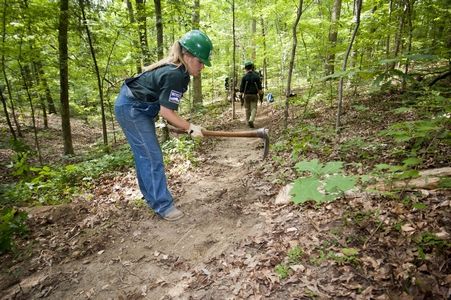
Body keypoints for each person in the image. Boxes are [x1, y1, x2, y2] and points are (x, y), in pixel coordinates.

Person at [114, 30, 213, 221]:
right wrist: (190, 127)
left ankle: (153, 199)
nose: (202, 67)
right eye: (200, 61)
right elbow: (166, 112)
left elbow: (162, 106)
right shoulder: (176, 74)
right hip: (132, 108)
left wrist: (184, 125)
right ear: (187, 56)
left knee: (146, 155)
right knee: (151, 156)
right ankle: (163, 205)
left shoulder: (179, 72)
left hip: (137, 107)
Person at [239, 60, 263, 128]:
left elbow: (241, 90)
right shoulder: (256, 77)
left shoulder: (244, 77)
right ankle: (251, 119)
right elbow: (260, 89)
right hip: (254, 95)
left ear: (246, 68)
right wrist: (261, 97)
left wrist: (241, 98)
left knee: (247, 109)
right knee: (254, 108)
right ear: (252, 67)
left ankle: (248, 121)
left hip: (246, 96)